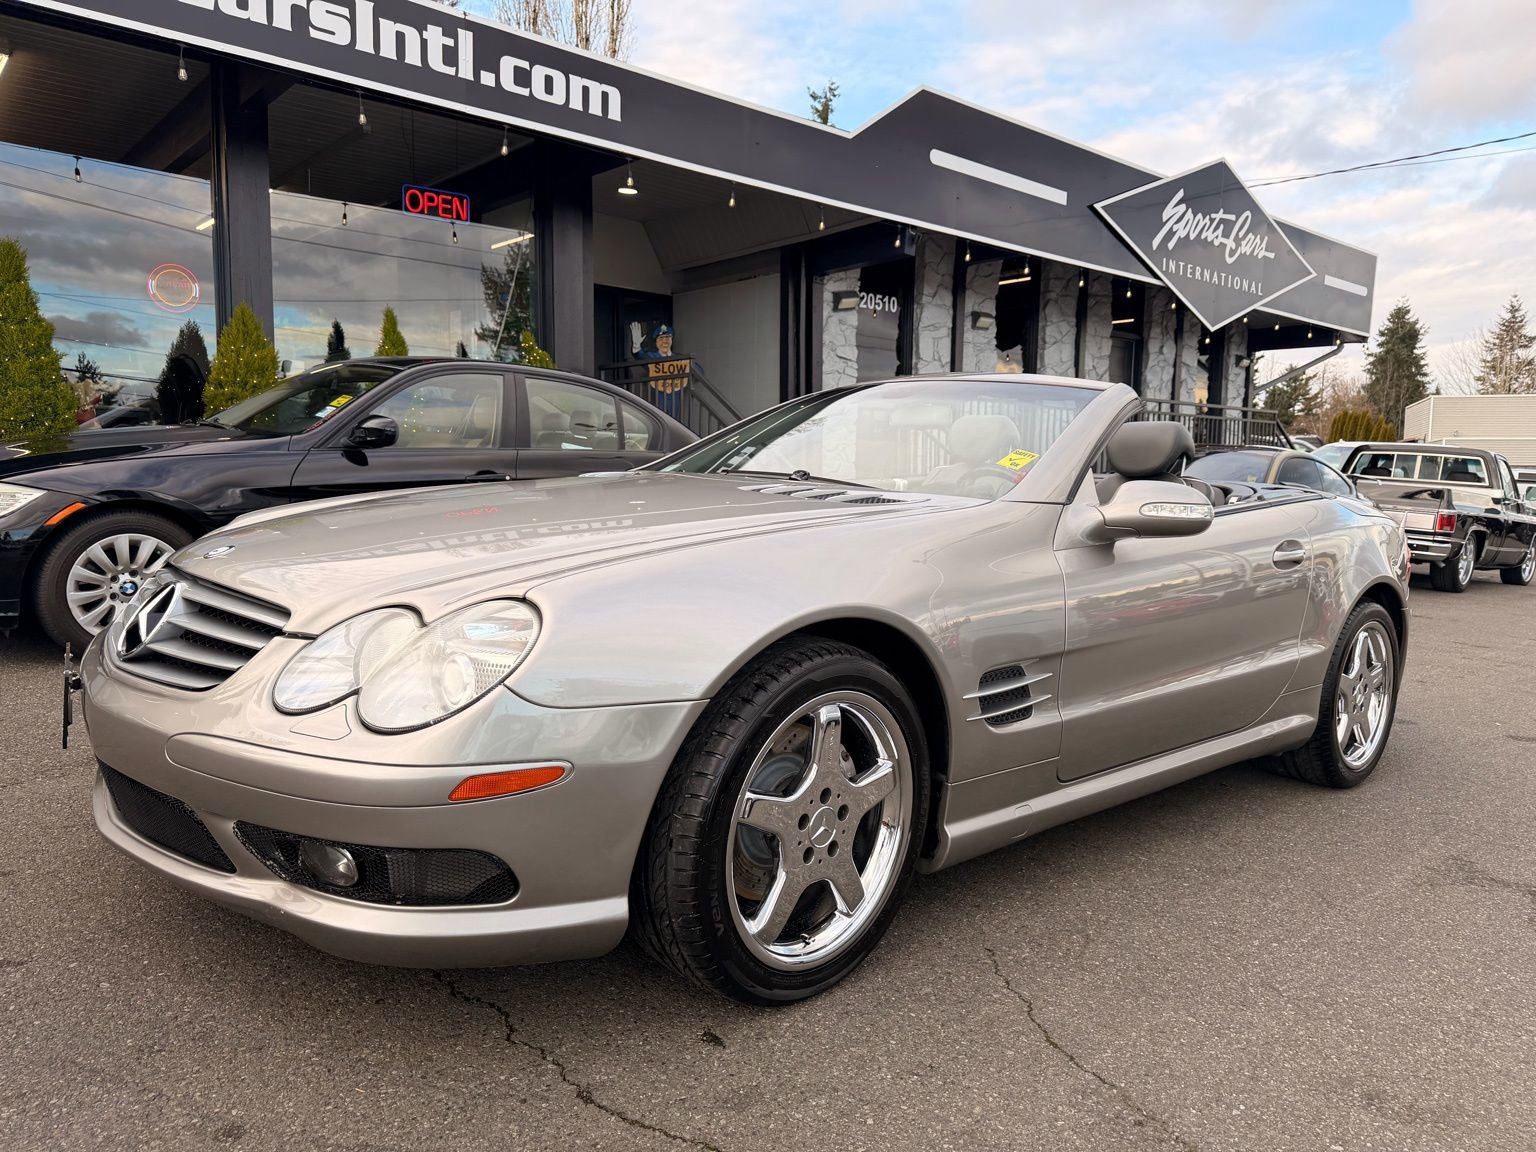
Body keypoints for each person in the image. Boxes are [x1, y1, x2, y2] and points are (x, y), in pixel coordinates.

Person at [641, 324, 685, 419]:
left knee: (675, 421)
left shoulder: (679, 358)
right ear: (656, 343)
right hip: (658, 394)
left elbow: (697, 369)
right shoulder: (651, 356)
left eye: (667, 338)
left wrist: (689, 364)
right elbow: (640, 356)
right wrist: (636, 347)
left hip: (675, 394)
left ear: (671, 341)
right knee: (660, 418)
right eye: (661, 338)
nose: (664, 341)